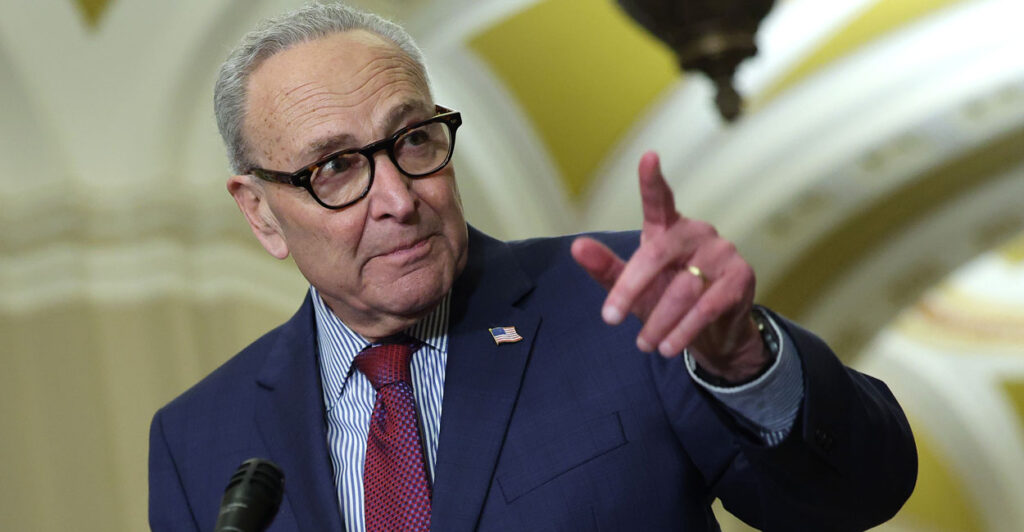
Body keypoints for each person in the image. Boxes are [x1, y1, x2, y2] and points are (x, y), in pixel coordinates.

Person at [149, 4, 916, 531]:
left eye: (414, 139)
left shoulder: (620, 298)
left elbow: (855, 495)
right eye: (337, 168)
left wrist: (747, 363)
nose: (397, 199)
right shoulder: (197, 441)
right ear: (259, 212)